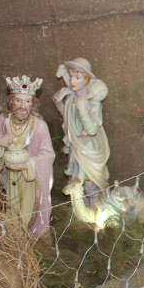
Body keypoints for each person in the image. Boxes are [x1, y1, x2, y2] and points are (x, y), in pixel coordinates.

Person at [0, 76, 54, 237]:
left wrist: (29, 163)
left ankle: (26, 235)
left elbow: (48, 154)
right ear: (11, 102)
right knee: (11, 206)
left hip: (29, 177)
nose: (22, 106)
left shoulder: (39, 126)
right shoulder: (4, 120)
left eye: (27, 101)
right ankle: (12, 235)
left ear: (32, 104)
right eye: (18, 101)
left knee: (27, 209)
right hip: (9, 175)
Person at [53, 58, 110, 207]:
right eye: (71, 76)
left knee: (91, 183)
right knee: (78, 184)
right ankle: (81, 213)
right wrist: (59, 103)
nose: (72, 81)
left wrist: (83, 109)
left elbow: (92, 130)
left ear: (87, 79)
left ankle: (97, 211)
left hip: (89, 147)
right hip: (77, 146)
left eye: (77, 77)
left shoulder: (93, 103)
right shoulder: (71, 99)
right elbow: (68, 119)